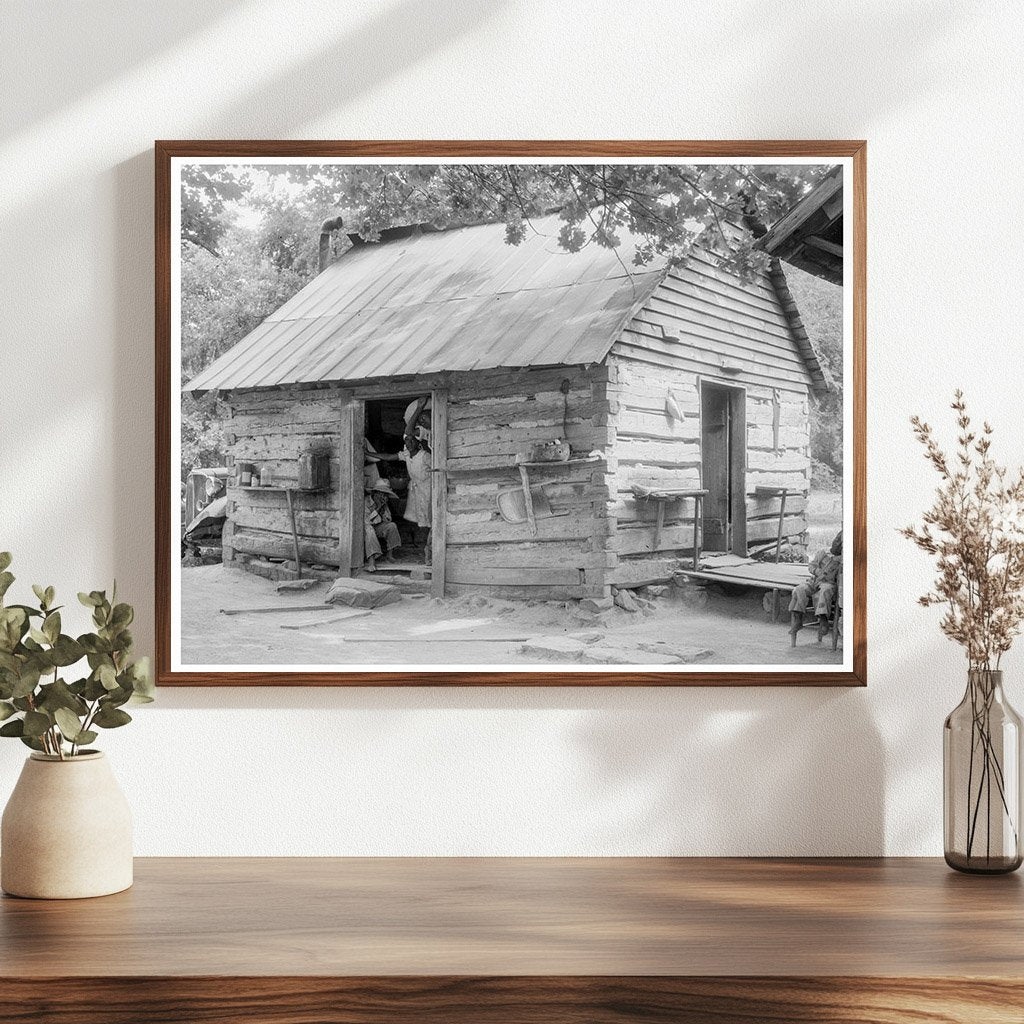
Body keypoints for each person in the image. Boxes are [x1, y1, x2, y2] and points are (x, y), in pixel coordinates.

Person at [789, 530, 842, 642]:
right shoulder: (823, 553)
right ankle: (798, 619)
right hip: (814, 581)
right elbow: (811, 566)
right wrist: (817, 571)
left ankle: (823, 620)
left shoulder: (843, 560)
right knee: (799, 589)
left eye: (840, 543)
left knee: (824, 591)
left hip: (829, 584)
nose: (837, 544)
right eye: (836, 542)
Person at [399, 434, 432, 563]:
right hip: (417, 491)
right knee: (421, 520)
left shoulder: (425, 456)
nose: (410, 443)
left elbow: (437, 467)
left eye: (413, 440)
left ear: (417, 441)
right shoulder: (407, 455)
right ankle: (425, 550)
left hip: (428, 490)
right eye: (407, 440)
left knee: (430, 520)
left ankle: (429, 552)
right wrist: (369, 453)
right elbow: (390, 457)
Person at [363, 480, 401, 571]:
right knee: (370, 530)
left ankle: (389, 555)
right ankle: (371, 561)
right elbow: (367, 521)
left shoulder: (384, 503)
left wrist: (382, 508)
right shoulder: (366, 501)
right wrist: (378, 507)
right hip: (366, 527)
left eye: (385, 494)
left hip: (378, 527)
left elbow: (388, 520)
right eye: (381, 494)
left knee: (392, 526)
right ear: (375, 493)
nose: (383, 496)